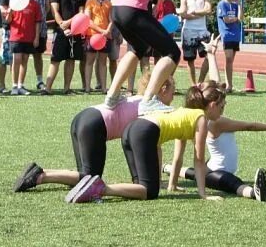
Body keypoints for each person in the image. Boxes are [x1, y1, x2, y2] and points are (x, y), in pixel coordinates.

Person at [172, 36, 266, 201]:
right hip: (219, 171)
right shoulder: (217, 123)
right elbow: (249, 126)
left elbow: (216, 84)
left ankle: (167, 169)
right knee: (229, 183)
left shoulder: (202, 114)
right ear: (212, 106)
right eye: (222, 106)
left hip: (211, 168)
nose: (224, 109)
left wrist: (211, 55)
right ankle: (254, 192)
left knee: (200, 172)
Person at [65, 79, 227, 203]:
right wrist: (203, 194)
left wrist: (172, 184)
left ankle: (94, 187)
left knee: (140, 188)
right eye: (221, 108)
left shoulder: (185, 113)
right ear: (212, 105)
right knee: (150, 191)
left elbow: (178, 156)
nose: (221, 113)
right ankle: (100, 188)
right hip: (143, 133)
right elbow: (199, 160)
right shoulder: (200, 119)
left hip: (131, 130)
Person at [11, 75, 176, 193]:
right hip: (94, 125)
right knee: (90, 180)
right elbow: (154, 147)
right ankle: (41, 175)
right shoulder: (152, 107)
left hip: (84, 117)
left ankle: (39, 172)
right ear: (162, 90)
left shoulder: (138, 98)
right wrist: (156, 180)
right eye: (172, 93)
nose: (173, 98)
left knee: (83, 178)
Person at [44, 0, 88, 94]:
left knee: (71, 60)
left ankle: (67, 88)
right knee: (55, 60)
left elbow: (81, 13)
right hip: (60, 32)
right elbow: (54, 11)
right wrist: (62, 25)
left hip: (75, 32)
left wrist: (70, 25)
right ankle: (47, 88)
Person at [6, 0, 42, 95]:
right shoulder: (15, 2)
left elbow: (38, 22)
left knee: (25, 60)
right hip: (16, 36)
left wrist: (36, 37)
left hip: (29, 37)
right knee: (16, 59)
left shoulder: (35, 4)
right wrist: (9, 12)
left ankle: (21, 85)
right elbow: (8, 20)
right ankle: (14, 86)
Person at [178, 0, 212, 85]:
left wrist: (195, 12)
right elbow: (183, 14)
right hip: (189, 32)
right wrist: (198, 14)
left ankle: (200, 82)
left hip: (202, 32)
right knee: (190, 59)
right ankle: (193, 85)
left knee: (209, 56)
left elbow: (208, 10)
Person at [83, 0, 112, 93]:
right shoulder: (89, 2)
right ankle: (87, 87)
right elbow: (88, 20)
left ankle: (104, 88)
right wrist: (102, 31)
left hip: (105, 37)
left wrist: (108, 30)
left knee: (103, 62)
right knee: (90, 61)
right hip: (92, 35)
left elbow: (111, 19)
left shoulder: (108, 3)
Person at [24, 0, 50, 91]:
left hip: (41, 28)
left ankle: (39, 80)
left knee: (38, 55)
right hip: (25, 29)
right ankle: (19, 83)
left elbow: (47, 7)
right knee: (22, 56)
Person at [0, 0, 21, 95]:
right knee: (3, 59)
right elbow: (4, 14)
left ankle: (15, 84)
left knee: (14, 59)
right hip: (8, 30)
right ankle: (1, 85)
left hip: (18, 30)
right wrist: (11, 9)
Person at [217, 0, 244, 93]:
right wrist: (235, 19)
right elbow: (226, 20)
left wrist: (239, 5)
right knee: (228, 58)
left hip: (235, 35)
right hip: (226, 34)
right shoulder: (222, 4)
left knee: (231, 61)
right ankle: (228, 85)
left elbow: (240, 18)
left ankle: (230, 85)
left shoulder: (234, 5)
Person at [102, 0, 121, 86]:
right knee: (101, 60)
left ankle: (114, 82)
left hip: (115, 32)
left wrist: (121, 33)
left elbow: (120, 16)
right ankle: (100, 83)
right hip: (101, 32)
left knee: (113, 59)